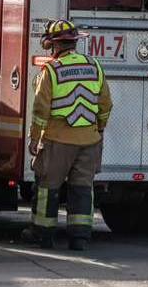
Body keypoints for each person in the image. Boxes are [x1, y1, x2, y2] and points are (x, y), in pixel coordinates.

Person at [20, 19, 112, 251]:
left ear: (54, 44)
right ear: (74, 42)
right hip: (89, 141)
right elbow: (105, 104)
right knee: (82, 188)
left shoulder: (51, 70)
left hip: (57, 141)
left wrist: (34, 138)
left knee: (47, 187)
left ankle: (42, 234)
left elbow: (40, 109)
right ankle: (79, 238)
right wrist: (99, 128)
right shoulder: (94, 66)